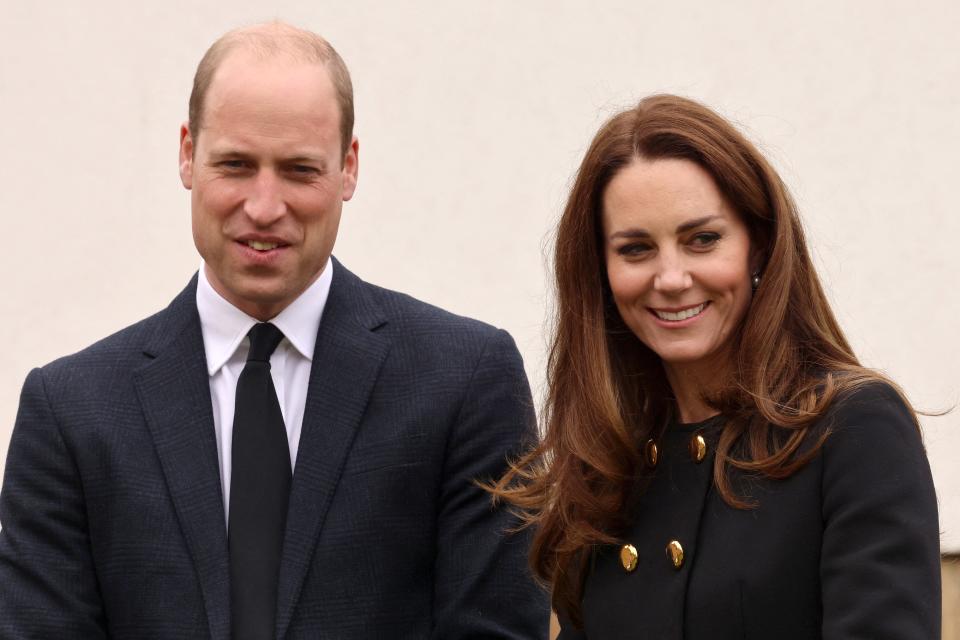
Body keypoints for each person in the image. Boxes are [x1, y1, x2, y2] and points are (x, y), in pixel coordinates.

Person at [0, 22, 548, 639]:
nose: (264, 206)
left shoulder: (464, 381)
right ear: (187, 154)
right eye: (235, 165)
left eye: (298, 170)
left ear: (348, 167)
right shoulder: (71, 412)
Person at [491, 94, 940, 638]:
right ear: (600, 271)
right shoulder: (607, 464)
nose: (672, 277)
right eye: (636, 249)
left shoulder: (852, 426)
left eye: (702, 240)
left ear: (759, 245)